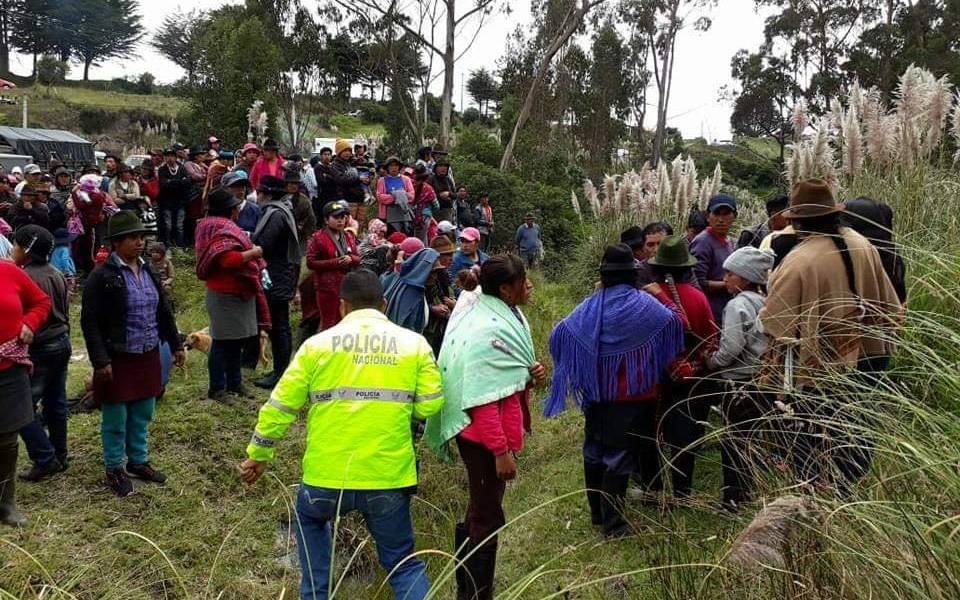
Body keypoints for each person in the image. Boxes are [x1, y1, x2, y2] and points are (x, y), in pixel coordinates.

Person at [240, 270, 444, 600]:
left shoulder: (315, 347)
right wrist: (404, 410)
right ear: (385, 303)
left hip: (325, 478)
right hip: (387, 477)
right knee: (403, 566)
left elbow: (279, 406)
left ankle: (318, 591)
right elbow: (432, 405)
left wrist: (258, 455)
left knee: (311, 535)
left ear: (342, 306)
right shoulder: (414, 345)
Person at [760, 179, 900, 492]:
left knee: (820, 430)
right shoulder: (862, 243)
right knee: (859, 423)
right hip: (871, 353)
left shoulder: (799, 260)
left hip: (823, 367)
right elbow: (889, 305)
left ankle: (820, 493)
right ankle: (850, 491)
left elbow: (774, 323)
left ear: (796, 220)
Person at [423, 255, 546, 600]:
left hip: (487, 437)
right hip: (483, 440)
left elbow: (501, 376)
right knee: (487, 515)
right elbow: (482, 398)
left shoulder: (499, 314)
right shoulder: (488, 326)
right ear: (507, 289)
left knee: (481, 508)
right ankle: (475, 594)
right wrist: (501, 452)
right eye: (525, 281)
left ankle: (473, 589)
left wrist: (528, 375)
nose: (531, 285)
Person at [545, 243, 684, 536]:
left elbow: (560, 334)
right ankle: (614, 525)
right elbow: (676, 323)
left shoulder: (591, 306)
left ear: (604, 275)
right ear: (633, 274)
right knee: (620, 457)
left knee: (594, 451)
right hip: (634, 397)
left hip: (598, 393)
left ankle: (597, 514)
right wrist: (663, 297)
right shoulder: (645, 304)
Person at [80, 212, 185, 497]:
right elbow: (89, 322)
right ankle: (114, 467)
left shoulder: (148, 270)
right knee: (115, 416)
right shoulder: (102, 277)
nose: (140, 242)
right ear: (116, 242)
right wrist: (100, 361)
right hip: (117, 356)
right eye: (132, 238)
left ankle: (138, 461)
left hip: (147, 352)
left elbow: (162, 311)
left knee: (142, 412)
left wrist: (175, 345)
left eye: (142, 237)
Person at [647, 235, 719, 500]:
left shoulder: (647, 296)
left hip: (653, 376)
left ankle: (651, 488)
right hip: (689, 374)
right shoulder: (698, 298)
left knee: (650, 431)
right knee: (683, 433)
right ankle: (682, 491)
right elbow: (711, 339)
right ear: (686, 267)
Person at [704, 246, 775, 512]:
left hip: (739, 382)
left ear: (744, 277)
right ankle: (751, 490)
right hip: (762, 379)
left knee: (734, 441)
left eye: (730, 273)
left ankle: (733, 499)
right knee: (753, 438)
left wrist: (713, 362)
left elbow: (732, 347)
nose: (725, 278)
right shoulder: (766, 301)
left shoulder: (737, 305)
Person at [195, 188, 270, 402]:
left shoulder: (211, 225)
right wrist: (254, 253)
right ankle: (217, 388)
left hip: (237, 292)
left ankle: (235, 384)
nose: (238, 210)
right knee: (221, 343)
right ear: (230, 210)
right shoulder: (220, 227)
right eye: (236, 207)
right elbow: (228, 260)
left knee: (236, 341)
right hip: (224, 293)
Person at [11, 226, 70, 482]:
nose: (12, 249)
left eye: (16, 245)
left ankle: (44, 458)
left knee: (21, 407)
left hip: (41, 348)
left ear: (27, 250)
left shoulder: (26, 278)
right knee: (55, 401)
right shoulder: (55, 273)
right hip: (62, 342)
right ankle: (60, 453)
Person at [0, 253, 51, 526]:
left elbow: (41, 301)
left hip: (8, 369)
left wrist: (29, 323)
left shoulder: (8, 272)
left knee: (7, 440)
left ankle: (5, 505)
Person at [252, 175, 301, 389]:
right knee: (279, 326)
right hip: (283, 273)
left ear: (268, 195)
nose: (257, 196)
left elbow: (264, 245)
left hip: (277, 275)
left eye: (260, 192)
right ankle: (281, 370)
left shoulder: (275, 215)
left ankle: (280, 373)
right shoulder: (283, 210)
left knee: (278, 326)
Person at [306, 200, 360, 334]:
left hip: (347, 286)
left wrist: (351, 259)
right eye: (336, 217)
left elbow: (358, 258)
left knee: (346, 323)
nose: (340, 220)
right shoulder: (318, 238)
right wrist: (335, 262)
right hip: (327, 287)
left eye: (342, 217)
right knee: (329, 324)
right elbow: (310, 263)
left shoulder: (349, 236)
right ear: (326, 219)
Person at [690, 194, 737, 324]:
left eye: (726, 214)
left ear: (734, 217)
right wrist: (731, 284)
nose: (721, 220)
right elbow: (697, 283)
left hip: (725, 311)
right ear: (707, 216)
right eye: (716, 214)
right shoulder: (703, 242)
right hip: (711, 315)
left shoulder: (729, 241)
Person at [383, 248, 443, 334]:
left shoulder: (403, 281)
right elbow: (407, 328)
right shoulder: (412, 294)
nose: (435, 277)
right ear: (422, 269)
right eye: (433, 272)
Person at [423, 235, 457, 356]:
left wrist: (454, 303)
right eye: (447, 255)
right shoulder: (423, 275)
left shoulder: (444, 274)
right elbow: (414, 303)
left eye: (451, 254)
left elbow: (449, 293)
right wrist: (432, 308)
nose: (451, 259)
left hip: (443, 329)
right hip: (427, 332)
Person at [157, 148, 192, 248]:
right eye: (167, 156)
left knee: (179, 226)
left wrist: (171, 181)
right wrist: (180, 181)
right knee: (168, 225)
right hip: (167, 202)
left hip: (180, 202)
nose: (169, 158)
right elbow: (163, 185)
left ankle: (180, 246)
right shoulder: (162, 169)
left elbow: (188, 183)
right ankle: (168, 245)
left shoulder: (182, 168)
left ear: (175, 157)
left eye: (171, 156)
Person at [330, 139, 367, 227]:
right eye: (345, 150)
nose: (348, 153)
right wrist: (359, 179)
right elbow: (340, 180)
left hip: (358, 199)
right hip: (347, 199)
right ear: (339, 152)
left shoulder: (349, 164)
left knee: (359, 225)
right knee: (348, 225)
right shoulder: (335, 165)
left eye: (349, 151)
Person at [376, 156, 414, 236]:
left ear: (399, 167)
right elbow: (380, 197)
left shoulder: (406, 179)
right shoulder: (382, 180)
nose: (394, 168)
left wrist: (396, 194)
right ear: (387, 167)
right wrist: (398, 195)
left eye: (396, 165)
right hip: (388, 215)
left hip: (404, 214)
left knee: (405, 236)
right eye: (391, 165)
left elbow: (411, 196)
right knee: (391, 237)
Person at [222, 171, 261, 235]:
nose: (240, 189)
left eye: (243, 186)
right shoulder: (219, 209)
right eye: (235, 186)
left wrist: (246, 234)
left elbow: (261, 236)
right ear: (224, 189)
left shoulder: (255, 210)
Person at [411, 165, 438, 244]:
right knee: (422, 239)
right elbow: (436, 205)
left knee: (417, 238)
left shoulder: (410, 186)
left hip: (411, 215)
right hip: (425, 215)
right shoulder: (429, 188)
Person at [429, 157, 456, 224]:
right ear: (436, 168)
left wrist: (448, 193)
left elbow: (455, 195)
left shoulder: (448, 180)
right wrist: (439, 195)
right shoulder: (431, 179)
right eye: (441, 166)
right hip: (435, 210)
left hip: (447, 210)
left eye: (445, 166)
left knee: (447, 230)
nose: (443, 168)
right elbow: (428, 194)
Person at [312, 146, 337, 214]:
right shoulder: (318, 167)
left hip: (333, 195)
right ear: (321, 156)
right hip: (323, 195)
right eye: (325, 154)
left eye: (329, 154)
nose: (327, 156)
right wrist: (332, 178)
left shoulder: (332, 167)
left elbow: (337, 179)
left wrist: (327, 176)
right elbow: (322, 181)